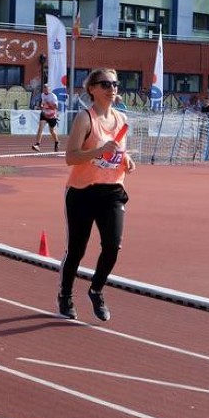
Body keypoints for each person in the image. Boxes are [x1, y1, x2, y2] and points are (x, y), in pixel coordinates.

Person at [57, 68, 136, 322]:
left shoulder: (122, 120)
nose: (111, 88)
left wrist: (126, 159)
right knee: (77, 250)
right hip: (82, 192)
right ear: (92, 89)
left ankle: (96, 289)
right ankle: (66, 294)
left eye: (114, 84)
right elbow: (71, 157)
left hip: (112, 191)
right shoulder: (85, 118)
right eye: (105, 84)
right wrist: (98, 151)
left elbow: (117, 151)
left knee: (113, 246)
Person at [31, 83, 60, 152]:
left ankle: (56, 142)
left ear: (49, 89)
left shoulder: (53, 96)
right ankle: (37, 145)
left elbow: (56, 107)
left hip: (52, 116)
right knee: (40, 129)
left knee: (52, 131)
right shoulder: (42, 94)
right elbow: (43, 103)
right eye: (44, 88)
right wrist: (41, 105)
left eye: (46, 88)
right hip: (44, 114)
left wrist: (48, 105)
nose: (45, 90)